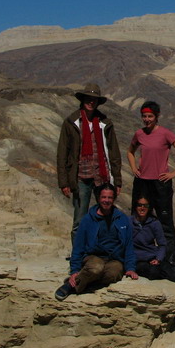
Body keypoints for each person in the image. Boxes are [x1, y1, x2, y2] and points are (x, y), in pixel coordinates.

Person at [57, 83, 122, 247]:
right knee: (80, 218)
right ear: (83, 100)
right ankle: (78, 256)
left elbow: (114, 153)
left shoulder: (104, 123)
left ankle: (105, 250)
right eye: (88, 99)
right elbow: (62, 153)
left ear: (98, 102)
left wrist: (117, 180)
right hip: (81, 177)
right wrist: (64, 182)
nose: (91, 102)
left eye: (94, 100)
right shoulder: (71, 123)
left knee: (106, 215)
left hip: (102, 176)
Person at [127, 101, 175, 265]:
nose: (147, 119)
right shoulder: (139, 134)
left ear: (156, 117)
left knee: (165, 222)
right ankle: (137, 255)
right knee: (137, 219)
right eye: (144, 116)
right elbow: (130, 151)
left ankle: (169, 261)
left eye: (150, 116)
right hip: (142, 183)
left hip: (160, 183)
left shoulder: (165, 134)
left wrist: (174, 173)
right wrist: (134, 167)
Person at [55, 183, 138, 300]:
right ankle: (70, 284)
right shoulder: (88, 219)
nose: (106, 200)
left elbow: (128, 245)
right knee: (96, 268)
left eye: (109, 197)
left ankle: (85, 283)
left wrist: (130, 268)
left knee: (114, 273)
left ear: (113, 199)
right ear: (99, 198)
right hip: (93, 256)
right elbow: (78, 246)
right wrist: (75, 270)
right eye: (104, 197)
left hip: (114, 258)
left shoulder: (122, 219)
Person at [132, 196, 175, 282]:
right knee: (153, 272)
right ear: (135, 207)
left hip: (152, 258)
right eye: (139, 205)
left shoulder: (154, 223)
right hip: (137, 259)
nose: (142, 208)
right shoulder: (129, 222)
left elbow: (162, 244)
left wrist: (158, 259)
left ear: (149, 208)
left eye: (145, 206)